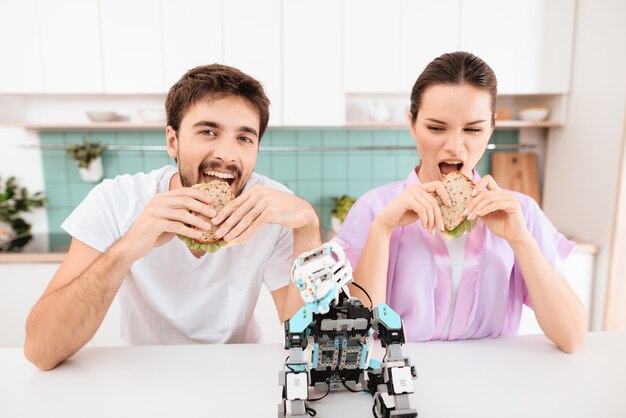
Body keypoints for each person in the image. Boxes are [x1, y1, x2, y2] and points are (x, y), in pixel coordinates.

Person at [24, 64, 321, 370]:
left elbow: (308, 345)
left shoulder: (270, 209)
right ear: (172, 141)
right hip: (143, 372)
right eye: (208, 131)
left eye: (244, 138)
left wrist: (307, 226)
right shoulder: (117, 200)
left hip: (235, 370)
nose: (228, 155)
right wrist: (127, 249)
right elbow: (41, 351)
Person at [333, 52, 586, 353]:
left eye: (473, 129)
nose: (454, 146)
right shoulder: (375, 209)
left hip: (493, 383)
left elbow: (572, 338)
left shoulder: (521, 213)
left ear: (491, 128)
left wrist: (521, 241)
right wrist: (382, 229)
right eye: (437, 128)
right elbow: (356, 338)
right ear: (412, 124)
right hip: (400, 382)